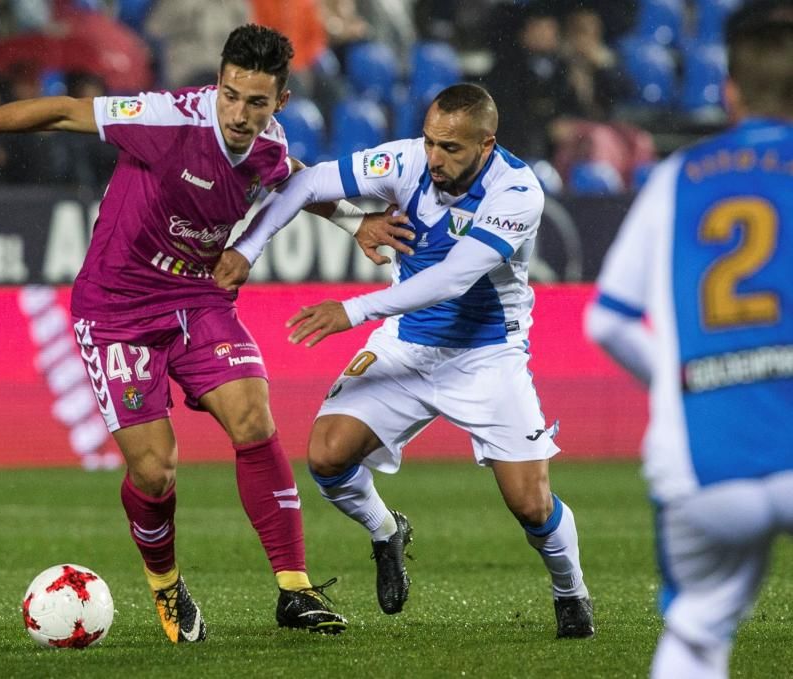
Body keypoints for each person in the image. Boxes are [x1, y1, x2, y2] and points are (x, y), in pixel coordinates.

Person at [0, 23, 403, 643]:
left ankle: (294, 588)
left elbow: (295, 179)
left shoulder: (267, 142)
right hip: (118, 308)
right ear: (217, 84)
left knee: (253, 417)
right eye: (230, 95)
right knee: (155, 471)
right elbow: (64, 112)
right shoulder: (166, 118)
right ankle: (166, 585)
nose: (240, 114)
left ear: (279, 102)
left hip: (199, 296)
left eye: (256, 102)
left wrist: (356, 221)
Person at [215, 83, 594, 638]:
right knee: (327, 456)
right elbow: (305, 181)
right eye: (430, 141)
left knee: (531, 504)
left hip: (487, 356)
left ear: (486, 144)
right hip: (407, 344)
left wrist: (354, 309)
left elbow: (453, 277)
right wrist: (247, 249)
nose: (434, 158)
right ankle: (386, 529)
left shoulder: (516, 192)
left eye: (451, 149)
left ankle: (571, 592)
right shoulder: (408, 160)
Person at [585, 4, 793, 677]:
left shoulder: (676, 178)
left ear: (729, 91)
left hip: (701, 461)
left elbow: (607, 319)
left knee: (697, 632)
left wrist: (679, 380)